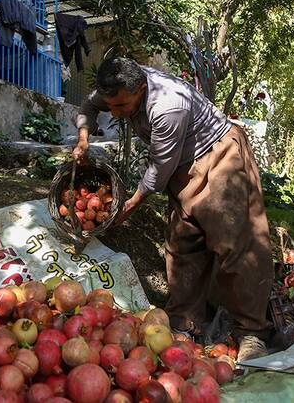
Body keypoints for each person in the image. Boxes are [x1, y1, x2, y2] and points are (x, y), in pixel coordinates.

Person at [73, 57, 273, 362]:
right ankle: (185, 322)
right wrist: (83, 140)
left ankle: (252, 331)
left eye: (122, 107)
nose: (115, 113)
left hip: (218, 155)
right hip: (182, 165)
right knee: (182, 242)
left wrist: (131, 205)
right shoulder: (118, 86)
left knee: (236, 241)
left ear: (140, 89)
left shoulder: (168, 106)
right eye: (110, 106)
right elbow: (90, 106)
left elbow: (159, 167)